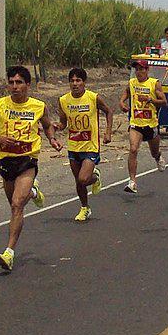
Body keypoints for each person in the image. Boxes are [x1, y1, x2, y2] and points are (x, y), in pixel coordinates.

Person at [0, 66, 61, 271]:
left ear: (27, 85)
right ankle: (34, 191)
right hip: (6, 161)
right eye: (11, 82)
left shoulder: (38, 106)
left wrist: (52, 139)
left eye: (19, 83)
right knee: (14, 204)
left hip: (27, 160)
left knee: (17, 204)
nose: (15, 87)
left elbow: (46, 125)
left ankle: (9, 253)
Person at [58, 67, 114, 222]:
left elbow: (109, 111)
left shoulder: (93, 98)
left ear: (84, 82)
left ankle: (95, 177)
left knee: (83, 179)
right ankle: (85, 208)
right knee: (78, 181)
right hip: (73, 146)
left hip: (90, 146)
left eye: (78, 80)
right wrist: (57, 127)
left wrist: (108, 132)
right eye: (72, 81)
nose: (75, 84)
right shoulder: (64, 100)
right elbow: (63, 122)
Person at [121, 57, 167, 193]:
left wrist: (150, 99)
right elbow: (126, 93)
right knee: (133, 149)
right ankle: (132, 182)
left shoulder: (154, 83)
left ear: (147, 70)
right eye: (136, 69)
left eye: (141, 69)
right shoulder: (132, 83)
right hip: (136, 123)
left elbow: (163, 101)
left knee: (154, 151)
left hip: (151, 124)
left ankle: (158, 157)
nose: (138, 72)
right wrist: (122, 103)